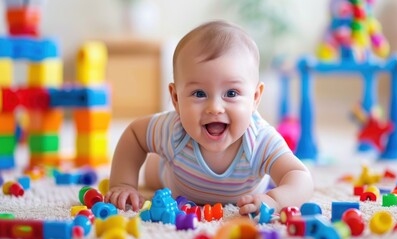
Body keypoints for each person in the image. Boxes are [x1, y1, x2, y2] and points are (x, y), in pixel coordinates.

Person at [105, 20, 313, 215]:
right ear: (176, 99)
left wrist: (275, 200)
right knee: (153, 171)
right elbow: (135, 134)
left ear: (255, 98)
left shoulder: (261, 140)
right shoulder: (172, 130)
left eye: (231, 93)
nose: (215, 108)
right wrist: (123, 184)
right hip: (172, 175)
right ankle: (158, 161)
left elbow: (300, 177)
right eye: (199, 94)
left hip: (243, 188)